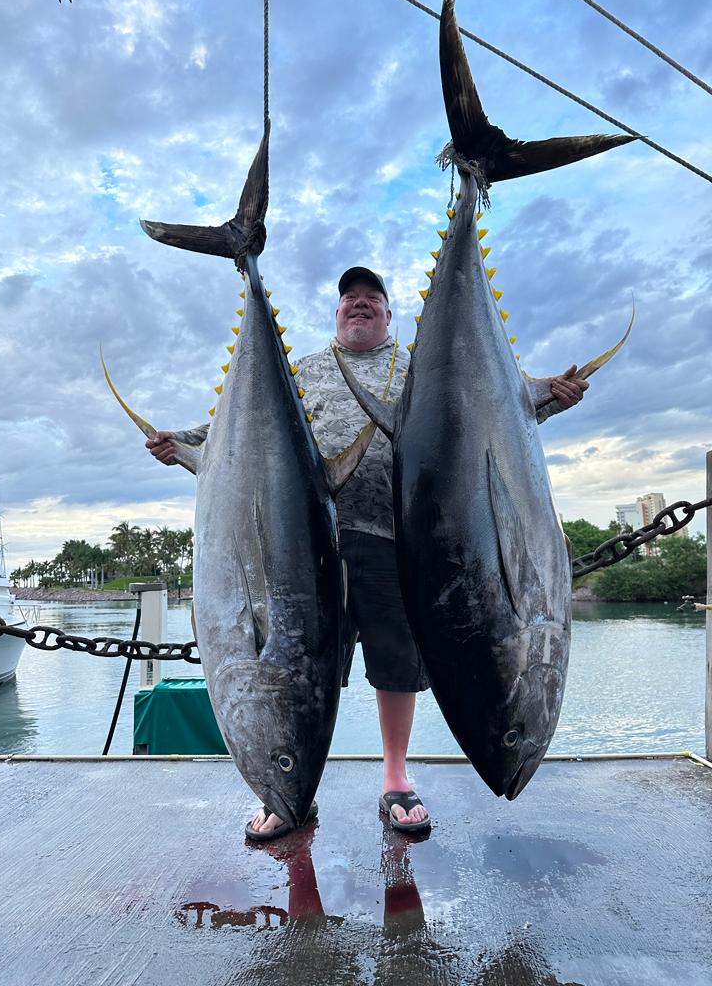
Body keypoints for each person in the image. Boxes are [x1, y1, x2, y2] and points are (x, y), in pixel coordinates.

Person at [146, 267, 589, 839]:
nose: (359, 306)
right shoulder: (301, 370)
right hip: (302, 543)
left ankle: (396, 779)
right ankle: (293, 785)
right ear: (336, 316)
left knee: (395, 661)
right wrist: (176, 442)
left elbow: (486, 407)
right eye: (349, 301)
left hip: (393, 537)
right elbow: (237, 429)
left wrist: (550, 396)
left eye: (371, 301)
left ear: (388, 315)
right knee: (303, 663)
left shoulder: (417, 366)